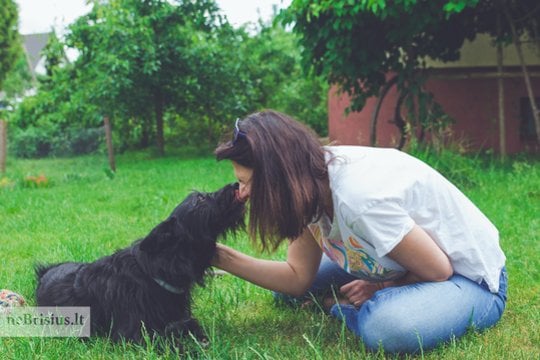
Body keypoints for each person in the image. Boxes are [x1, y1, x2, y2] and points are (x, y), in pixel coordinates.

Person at [212, 110, 507, 354]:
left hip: (469, 279)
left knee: (386, 329)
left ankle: (346, 309)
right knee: (283, 292)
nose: (243, 194)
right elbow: (296, 276)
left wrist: (378, 288)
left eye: (247, 182)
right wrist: (218, 256)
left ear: (280, 179)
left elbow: (438, 270)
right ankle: (361, 300)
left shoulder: (359, 198)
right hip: (401, 259)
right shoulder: (307, 183)